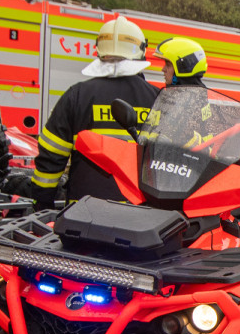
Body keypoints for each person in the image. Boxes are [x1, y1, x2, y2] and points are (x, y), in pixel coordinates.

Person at [30, 15, 159, 207]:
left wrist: (41, 205)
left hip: (83, 215)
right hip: (142, 216)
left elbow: (51, 155)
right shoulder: (158, 99)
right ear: (140, 52)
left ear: (99, 50)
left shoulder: (76, 96)